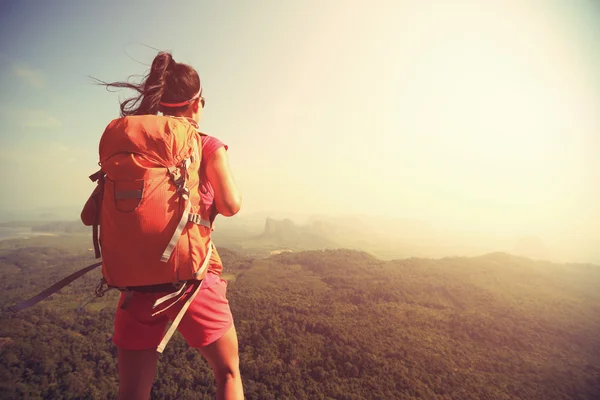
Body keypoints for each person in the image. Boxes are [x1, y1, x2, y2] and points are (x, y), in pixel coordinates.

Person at [95, 51, 244, 400]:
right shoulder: (205, 143)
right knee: (226, 373)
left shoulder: (136, 146)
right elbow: (231, 204)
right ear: (195, 104)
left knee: (132, 391)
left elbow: (93, 215)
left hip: (138, 288)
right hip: (193, 280)